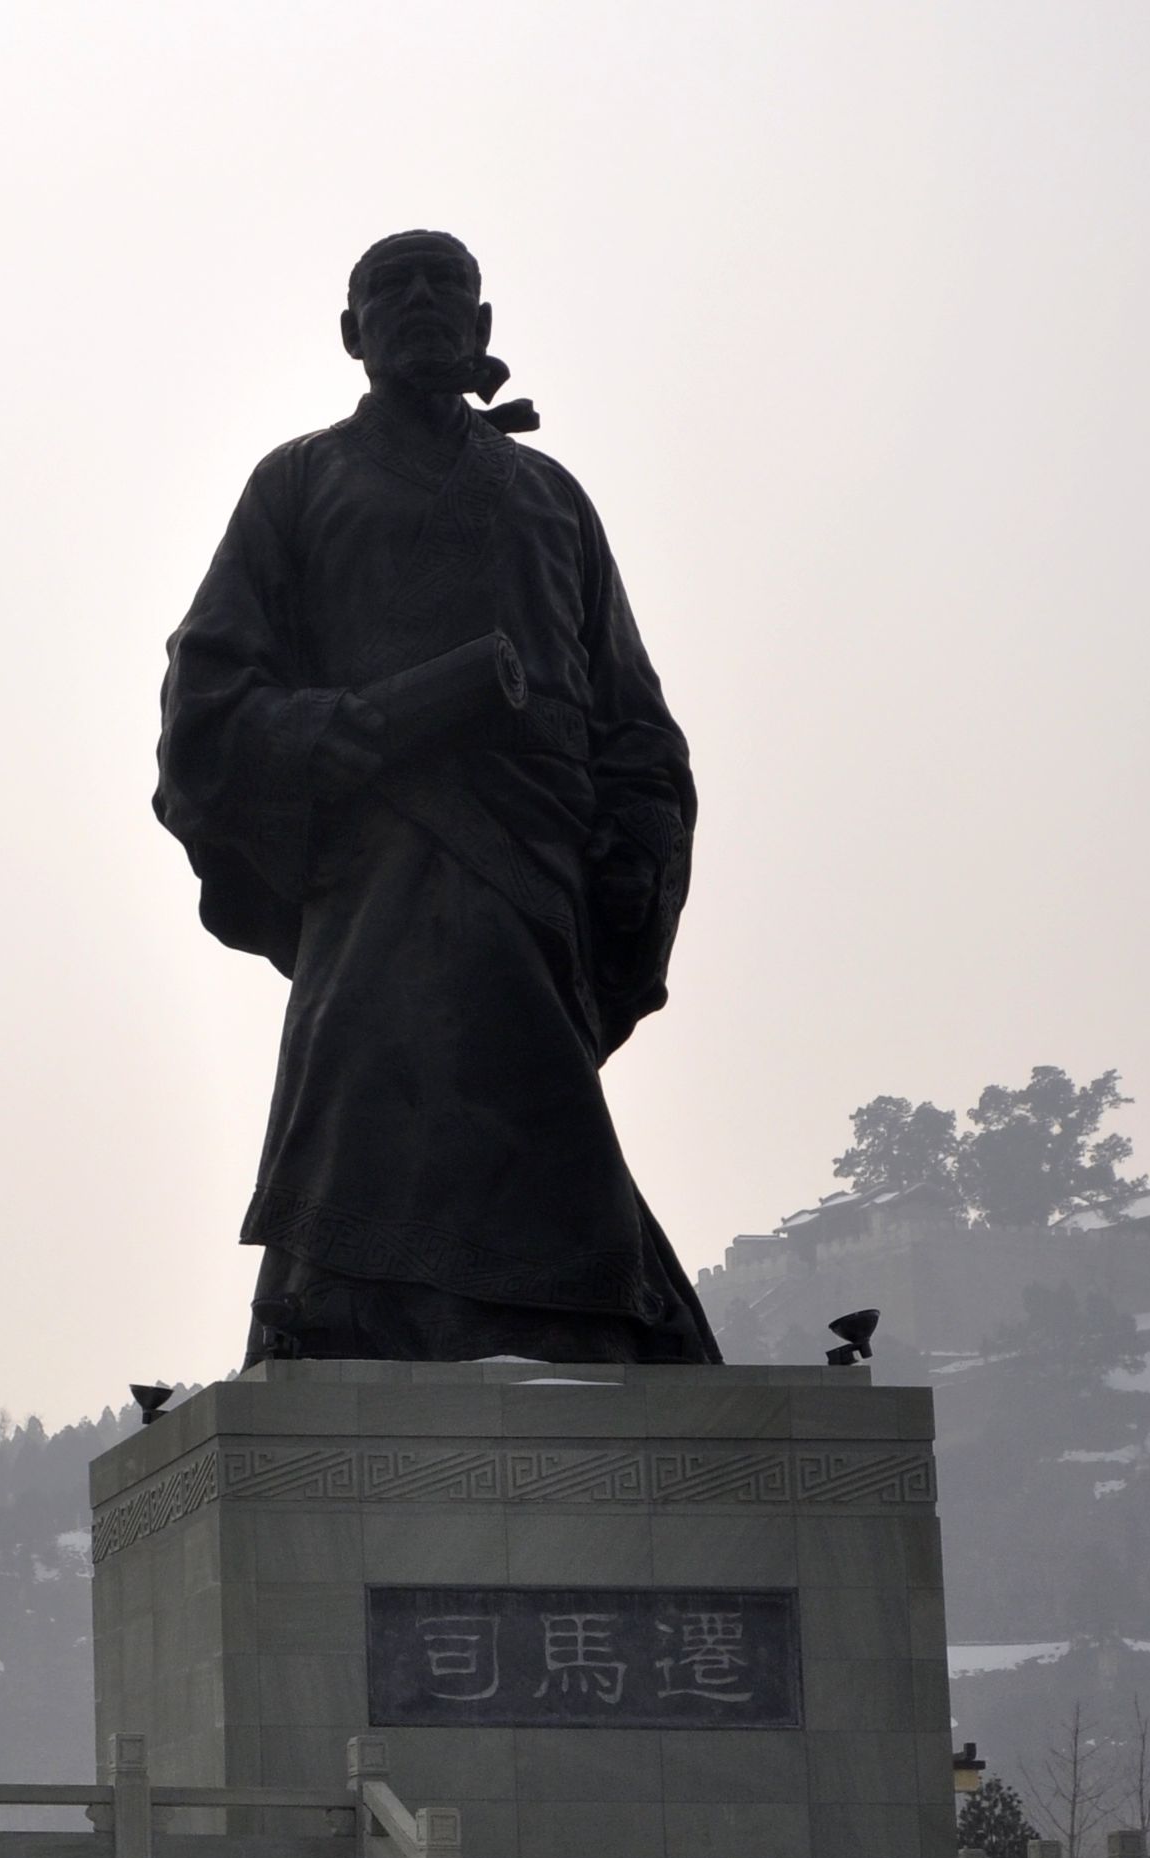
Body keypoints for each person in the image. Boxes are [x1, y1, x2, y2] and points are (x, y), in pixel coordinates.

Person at [153, 231, 713, 1367]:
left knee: (537, 1120)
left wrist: (627, 864)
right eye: (388, 289)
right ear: (350, 333)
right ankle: (339, 1320)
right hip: (374, 884)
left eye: (443, 285)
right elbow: (208, 702)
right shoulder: (298, 484)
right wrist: (360, 730)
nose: (418, 302)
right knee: (362, 1134)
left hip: (534, 887)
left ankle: (588, 1329)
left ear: (482, 327)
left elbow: (635, 725)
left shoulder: (550, 500)